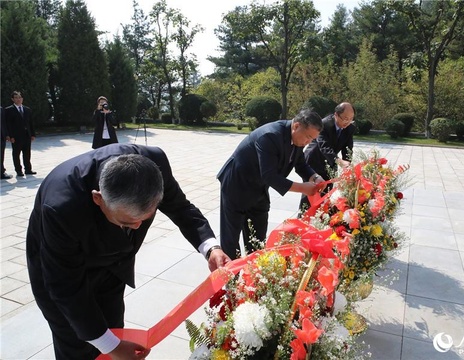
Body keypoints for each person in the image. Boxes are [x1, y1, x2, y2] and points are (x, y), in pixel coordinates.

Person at [26, 143, 230, 359]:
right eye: (127, 222)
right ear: (98, 198)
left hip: (113, 266)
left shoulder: (154, 165)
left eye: (145, 219)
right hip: (58, 268)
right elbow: (65, 286)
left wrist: (211, 248)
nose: (137, 228)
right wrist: (110, 345)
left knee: (114, 328)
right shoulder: (61, 206)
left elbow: (181, 208)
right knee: (77, 341)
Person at [217, 109, 325, 259]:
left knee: (257, 239)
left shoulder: (297, 139)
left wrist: (314, 176)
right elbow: (270, 176)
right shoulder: (270, 136)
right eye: (308, 137)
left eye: (312, 139)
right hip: (237, 186)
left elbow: (300, 164)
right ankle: (232, 280)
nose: (308, 142)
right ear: (296, 126)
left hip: (259, 189)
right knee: (231, 240)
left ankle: (253, 276)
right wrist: (302, 188)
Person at [299, 102, 356, 211]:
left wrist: (347, 165)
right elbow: (324, 147)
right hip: (313, 161)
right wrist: (339, 161)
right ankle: (302, 221)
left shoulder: (350, 128)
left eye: (351, 119)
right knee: (310, 196)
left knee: (326, 197)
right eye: (345, 118)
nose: (347, 122)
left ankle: (320, 223)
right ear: (336, 114)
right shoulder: (324, 124)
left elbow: (348, 149)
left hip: (329, 164)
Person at [5, 91, 36, 177]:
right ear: (12, 99)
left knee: (27, 153)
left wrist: (33, 134)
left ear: (22, 99)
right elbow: (8, 124)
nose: (18, 99)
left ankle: (28, 169)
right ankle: (18, 170)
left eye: (20, 98)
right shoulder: (9, 110)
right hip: (16, 136)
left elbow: (31, 123)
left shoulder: (27, 109)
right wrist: (10, 136)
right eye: (16, 98)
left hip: (26, 135)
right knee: (16, 154)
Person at [1, 107, 12, 179]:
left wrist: (7, 134)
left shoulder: (1, 109)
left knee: (1, 154)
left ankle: (1, 172)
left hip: (1, 136)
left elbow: (4, 122)